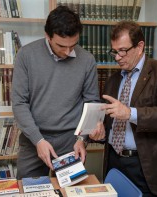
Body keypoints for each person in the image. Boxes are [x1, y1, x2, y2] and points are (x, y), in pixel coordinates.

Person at [12, 6, 105, 179]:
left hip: (71, 141)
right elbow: (19, 103)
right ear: (47, 36)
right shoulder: (26, 55)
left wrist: (82, 139)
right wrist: (38, 140)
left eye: (73, 45)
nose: (68, 52)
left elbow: (91, 103)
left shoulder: (87, 60)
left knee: (70, 193)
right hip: (34, 139)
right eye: (61, 45)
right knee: (28, 192)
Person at [101, 21, 157, 197]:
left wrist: (130, 113)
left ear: (140, 46)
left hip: (148, 166)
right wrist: (100, 133)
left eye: (123, 51)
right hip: (115, 163)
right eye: (114, 51)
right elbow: (109, 120)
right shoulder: (113, 80)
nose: (117, 57)